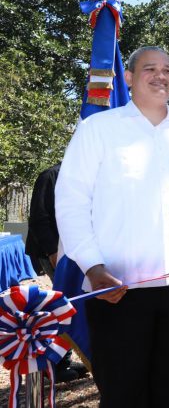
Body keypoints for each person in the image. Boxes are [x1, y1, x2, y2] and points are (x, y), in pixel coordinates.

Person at [55, 46, 169, 407]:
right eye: (150, 68)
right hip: (117, 290)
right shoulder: (97, 130)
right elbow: (71, 202)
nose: (160, 75)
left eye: (167, 69)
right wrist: (93, 267)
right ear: (129, 78)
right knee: (123, 392)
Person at [25, 163, 89, 383]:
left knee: (74, 305)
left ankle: (66, 356)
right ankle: (54, 364)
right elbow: (39, 218)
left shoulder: (89, 175)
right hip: (55, 252)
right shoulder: (51, 176)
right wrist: (53, 252)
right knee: (63, 306)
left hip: (78, 252)